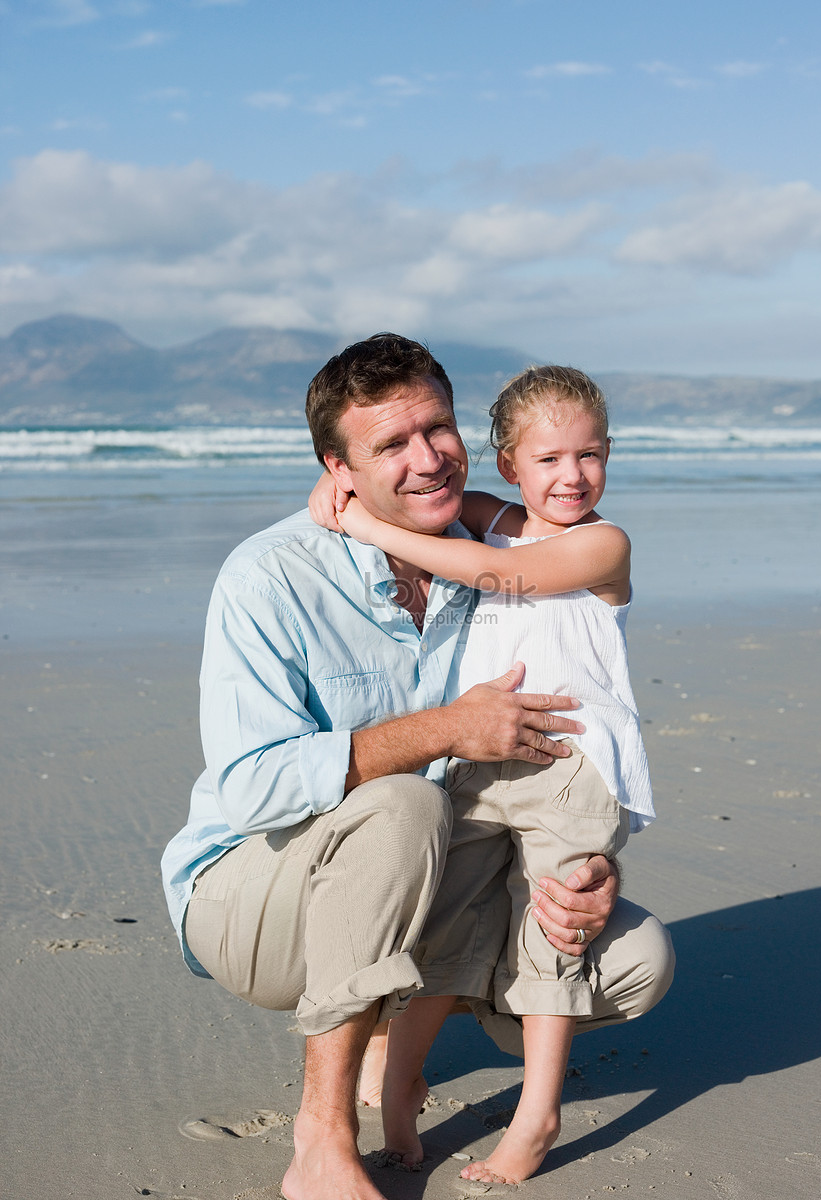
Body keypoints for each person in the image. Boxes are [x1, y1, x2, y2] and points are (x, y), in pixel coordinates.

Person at [160, 334, 674, 1200]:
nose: (426, 458)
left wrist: (592, 861)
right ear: (339, 469)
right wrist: (445, 729)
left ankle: (387, 1035)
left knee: (634, 957)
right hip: (258, 890)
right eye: (389, 445)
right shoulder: (269, 576)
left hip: (426, 868)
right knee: (402, 807)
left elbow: (548, 708)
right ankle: (321, 1141)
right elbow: (255, 789)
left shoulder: (487, 548)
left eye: (435, 427)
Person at [321, 364, 660, 1184]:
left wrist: (371, 531)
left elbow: (497, 575)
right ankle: (400, 1079)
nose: (571, 476)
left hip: (572, 764)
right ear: (509, 465)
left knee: (551, 927)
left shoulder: (600, 544)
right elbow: (408, 491)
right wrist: (344, 496)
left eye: (588, 456)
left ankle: (534, 1116)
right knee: (447, 917)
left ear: (608, 456)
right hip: (481, 762)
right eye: (547, 460)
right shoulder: (494, 515)